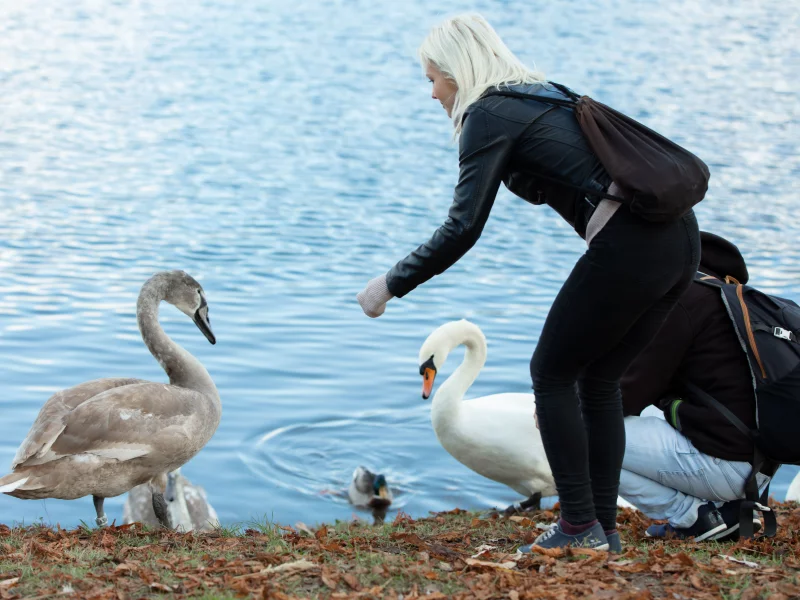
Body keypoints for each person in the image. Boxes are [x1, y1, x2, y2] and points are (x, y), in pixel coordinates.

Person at [356, 13, 700, 552]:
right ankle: (600, 528)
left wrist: (389, 285)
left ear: (456, 70)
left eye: (432, 79)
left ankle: (579, 525)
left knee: (551, 371)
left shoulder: (488, 114)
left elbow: (462, 226)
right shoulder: (543, 94)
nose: (432, 94)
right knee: (599, 380)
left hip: (634, 245)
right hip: (680, 243)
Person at [619, 232, 771, 541]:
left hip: (724, 466)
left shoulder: (685, 300)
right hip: (758, 469)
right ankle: (724, 511)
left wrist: (565, 406)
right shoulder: (737, 301)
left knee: (577, 432)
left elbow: (625, 395)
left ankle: (692, 516)